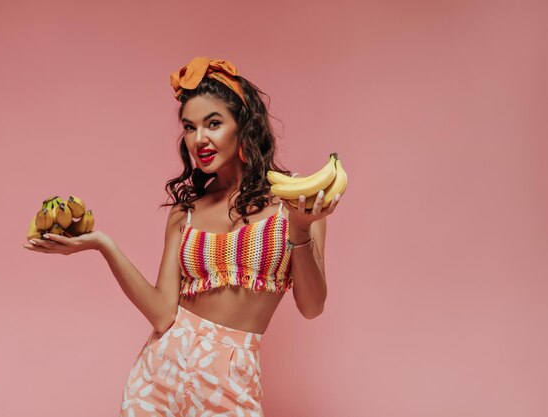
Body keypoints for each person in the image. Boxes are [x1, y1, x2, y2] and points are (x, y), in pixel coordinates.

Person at [22, 56, 342, 417]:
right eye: (190, 127)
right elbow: (162, 315)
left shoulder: (295, 203)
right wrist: (103, 244)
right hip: (159, 377)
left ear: (244, 127)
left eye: (214, 123)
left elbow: (312, 307)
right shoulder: (184, 214)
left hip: (232, 382)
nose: (199, 139)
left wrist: (300, 230)